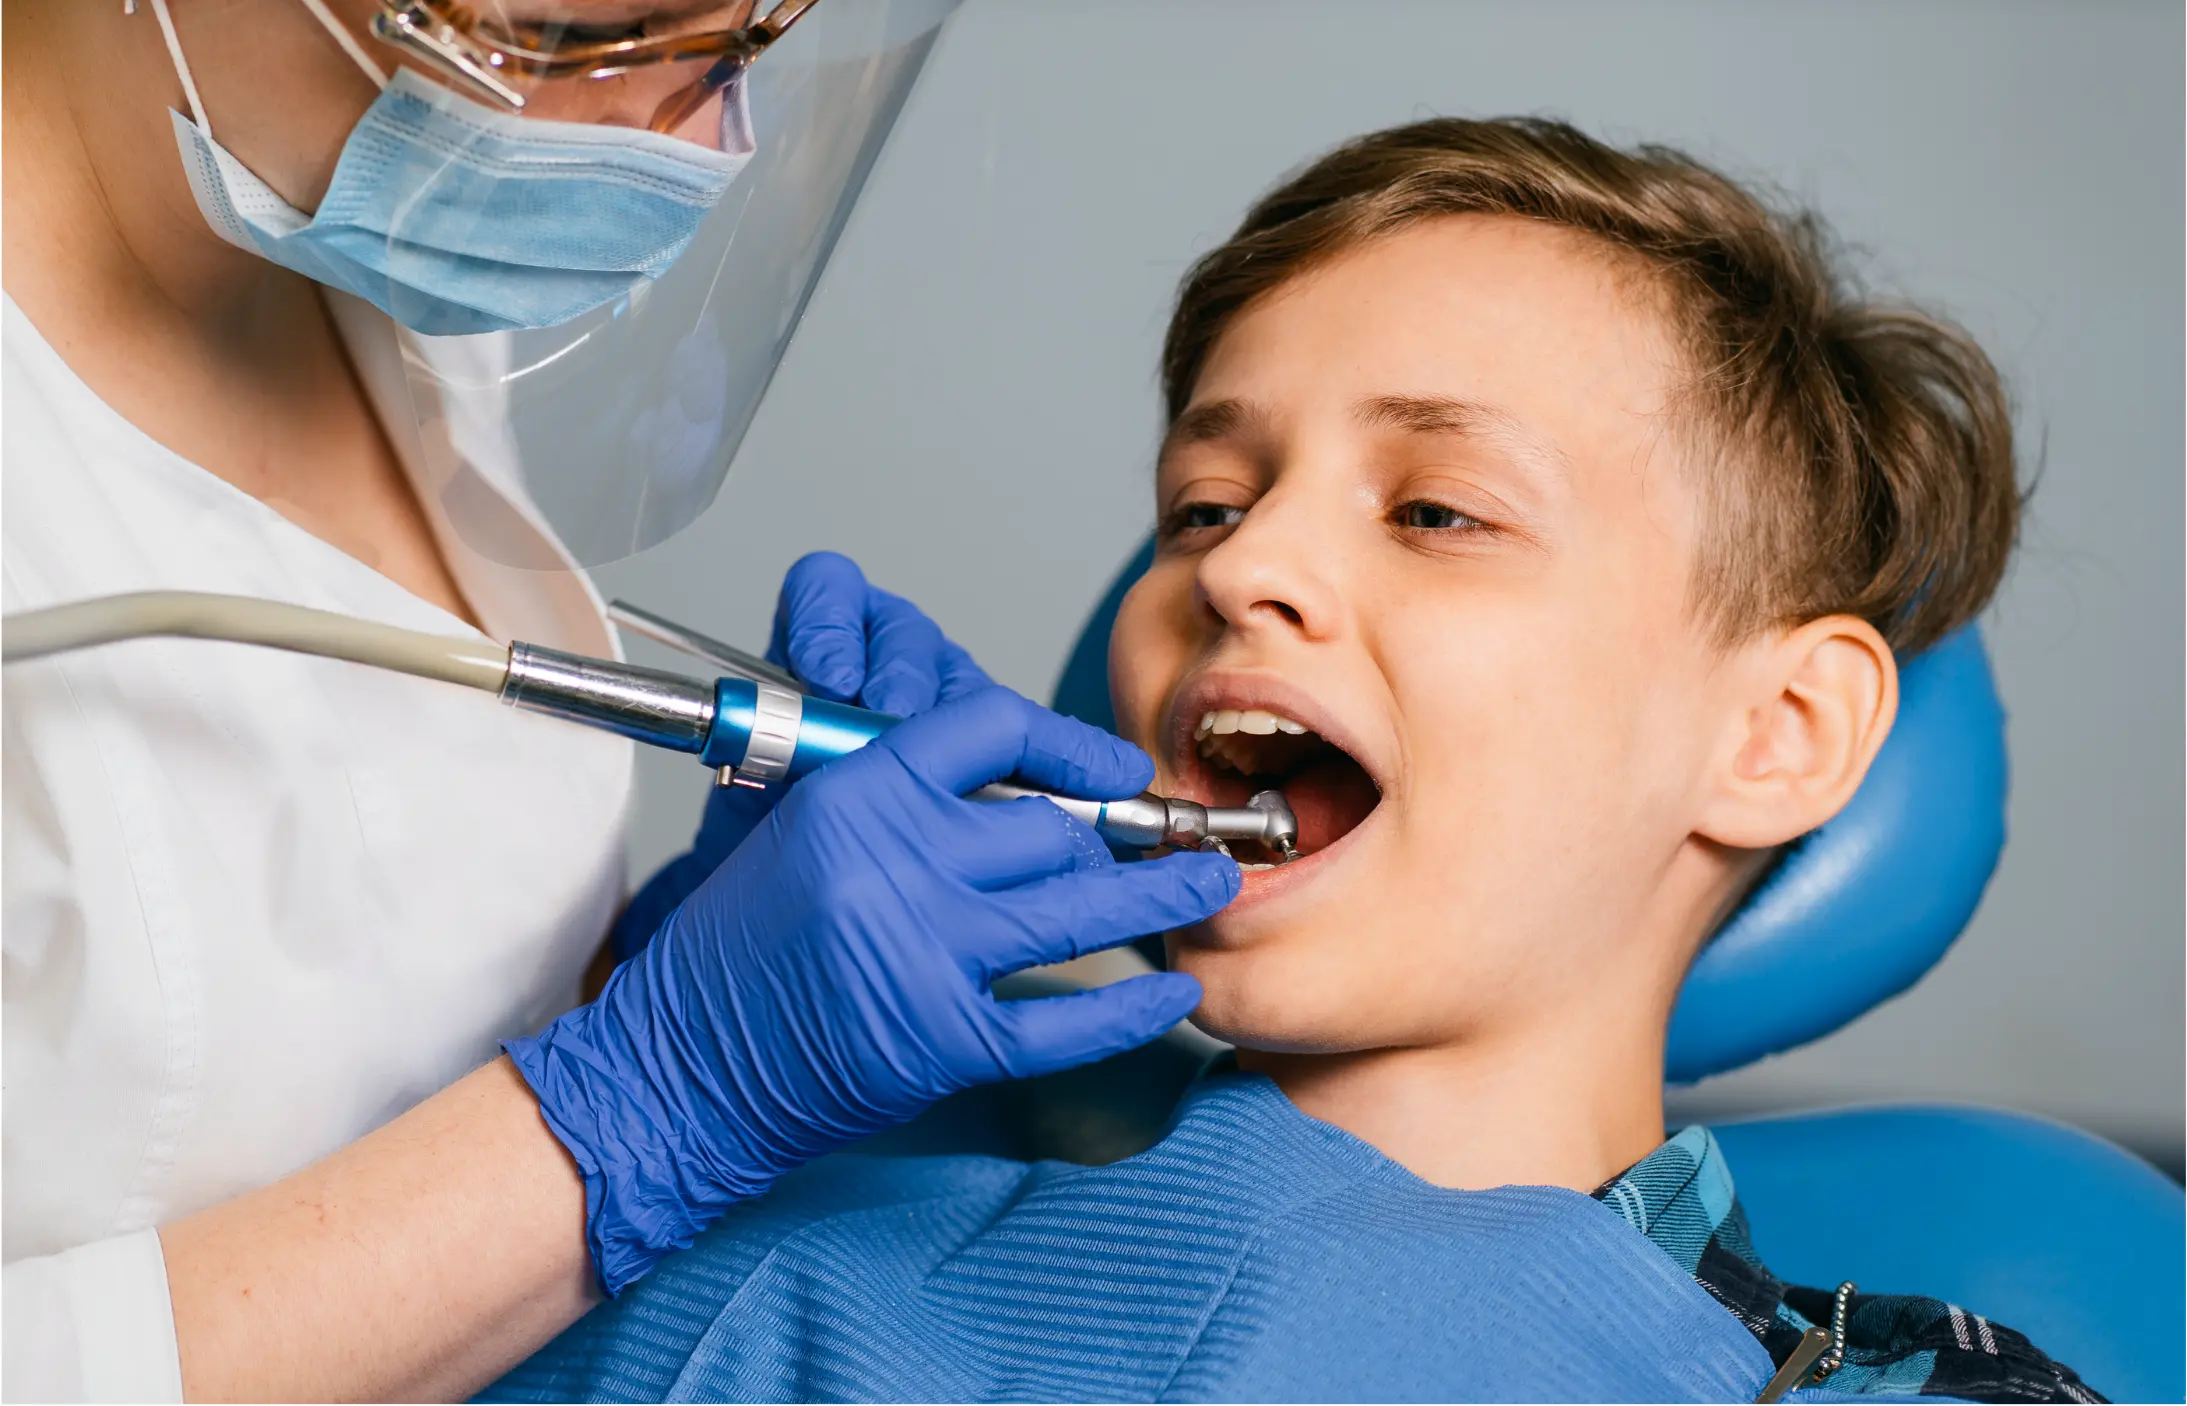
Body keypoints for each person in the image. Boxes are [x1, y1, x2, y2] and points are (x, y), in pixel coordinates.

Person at [483, 118, 2101, 1402]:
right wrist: (622, 1017)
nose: (1233, 564)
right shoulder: (798, 1173)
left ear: (1775, 734)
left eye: (1432, 509)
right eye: (1203, 501)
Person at [2, 3, 1236, 1400]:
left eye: (750, 36)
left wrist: (648, 973)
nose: (704, 138)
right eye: (608, 30)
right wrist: (644, 1105)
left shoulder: (347, 226)